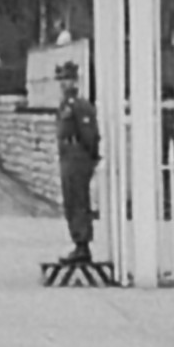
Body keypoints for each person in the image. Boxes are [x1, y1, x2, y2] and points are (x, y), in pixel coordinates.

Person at [55, 62, 102, 263]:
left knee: (78, 199)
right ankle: (77, 240)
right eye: (62, 80)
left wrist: (89, 157)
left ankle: (82, 243)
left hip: (78, 155)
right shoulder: (64, 105)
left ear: (75, 81)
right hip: (68, 154)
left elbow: (89, 135)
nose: (65, 84)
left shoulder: (80, 105)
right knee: (70, 200)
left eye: (68, 79)